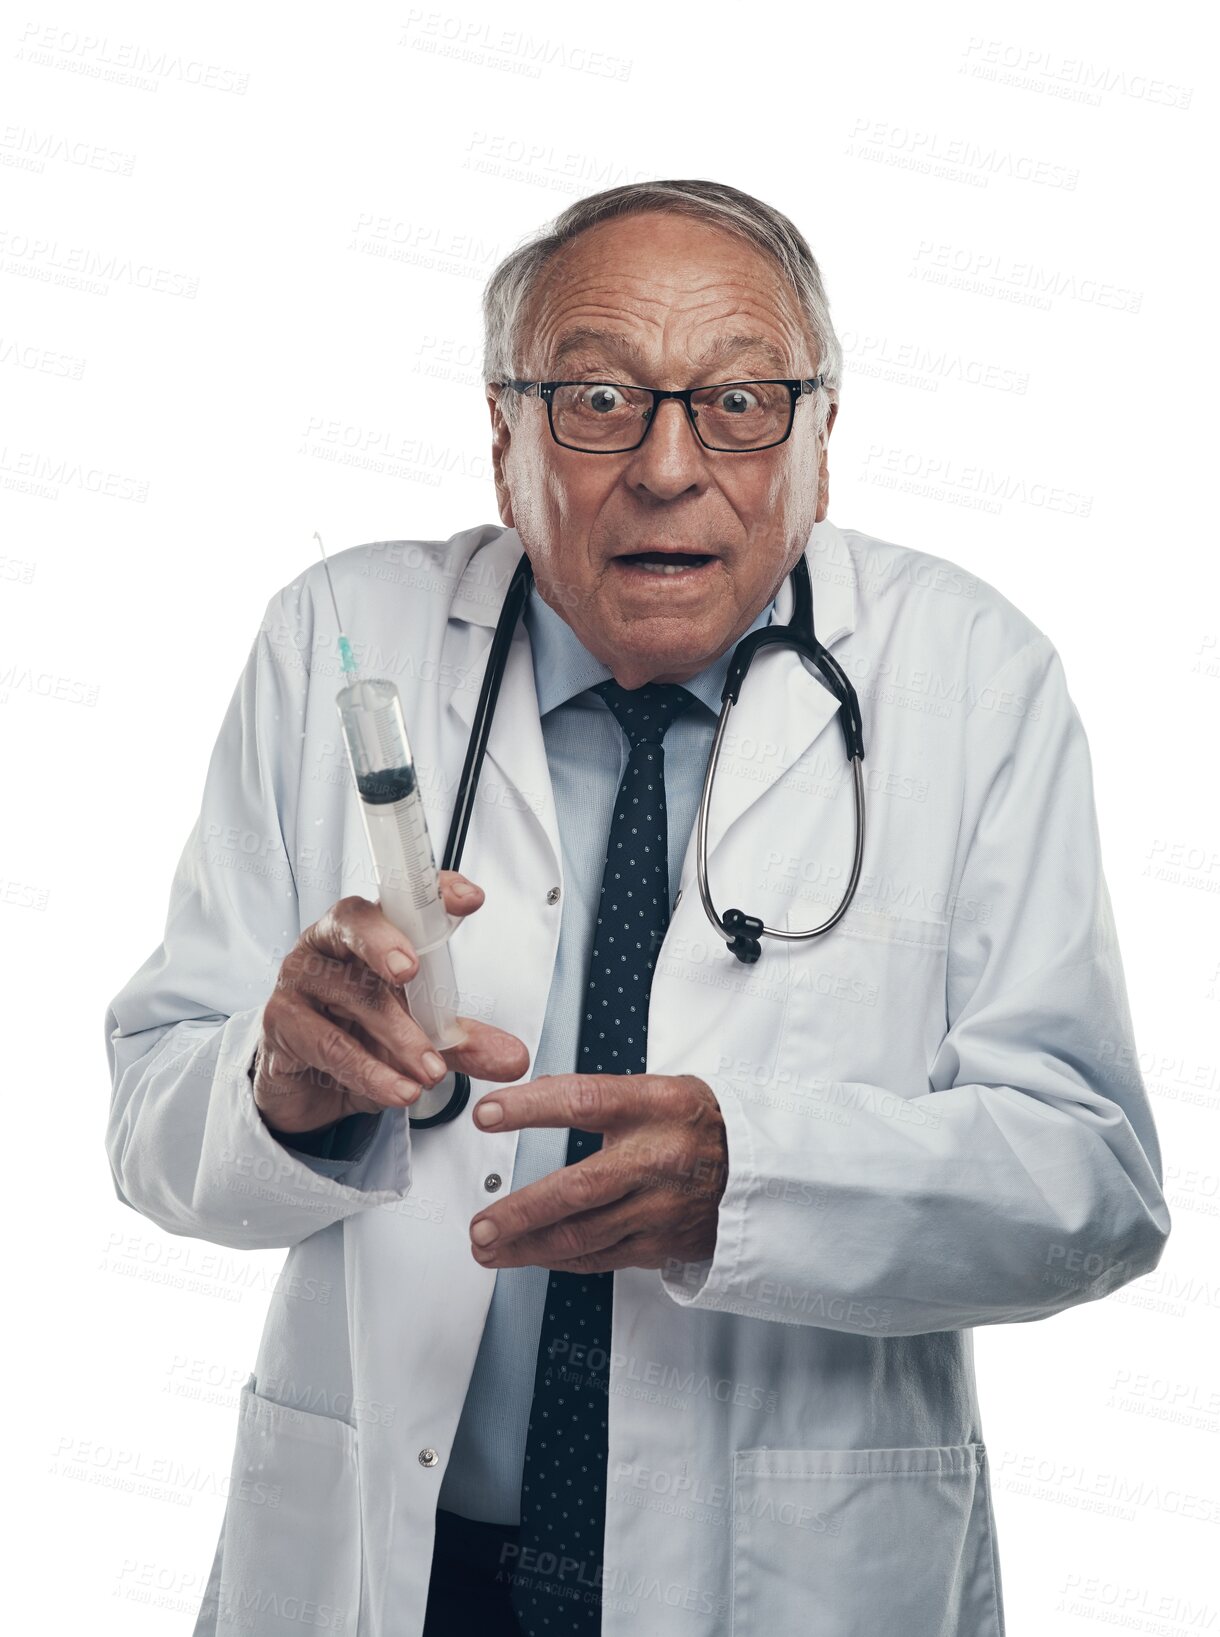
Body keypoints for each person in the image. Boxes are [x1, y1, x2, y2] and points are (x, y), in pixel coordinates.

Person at [104, 179, 1170, 1637]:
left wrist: (758, 1174)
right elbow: (156, 1128)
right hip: (392, 1570)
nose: (670, 464)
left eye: (740, 403)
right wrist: (280, 1088)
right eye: (597, 397)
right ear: (503, 432)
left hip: (796, 1581)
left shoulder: (977, 677)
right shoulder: (336, 644)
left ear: (821, 442)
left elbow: (1093, 1184)